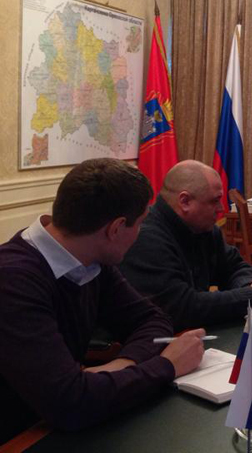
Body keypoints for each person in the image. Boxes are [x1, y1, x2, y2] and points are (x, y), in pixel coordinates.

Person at [0, 158, 205, 444]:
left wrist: (121, 365)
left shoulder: (91, 258)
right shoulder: (13, 279)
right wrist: (167, 366)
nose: (140, 234)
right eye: (140, 223)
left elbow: (152, 319)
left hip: (51, 423)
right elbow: (69, 403)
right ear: (116, 228)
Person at [120, 160, 252, 332]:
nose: (221, 208)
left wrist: (248, 284)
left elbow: (234, 266)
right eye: (215, 201)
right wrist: (251, 298)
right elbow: (180, 308)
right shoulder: (146, 237)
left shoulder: (203, 228)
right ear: (185, 202)